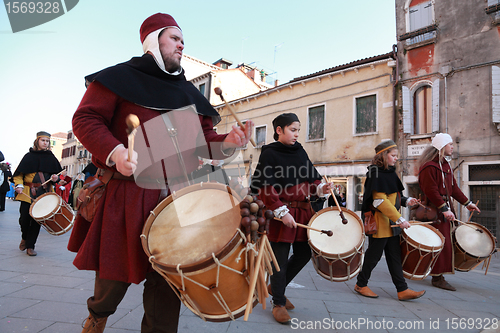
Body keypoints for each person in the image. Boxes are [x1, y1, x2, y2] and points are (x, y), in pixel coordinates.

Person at [68, 13, 253, 333]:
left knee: (168, 281)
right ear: (153, 40)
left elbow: (203, 145)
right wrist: (116, 152)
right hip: (128, 192)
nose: (182, 45)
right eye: (175, 38)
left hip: (178, 199)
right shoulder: (118, 77)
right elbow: (86, 120)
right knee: (113, 277)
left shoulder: (190, 95)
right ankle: (97, 316)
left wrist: (229, 142)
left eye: (183, 40)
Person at [250, 113, 332, 324]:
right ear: (279, 130)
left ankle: (275, 287)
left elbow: (312, 181)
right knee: (279, 260)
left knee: (304, 253)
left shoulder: (300, 151)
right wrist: (281, 211)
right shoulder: (269, 153)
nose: (297, 134)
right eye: (293, 129)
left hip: (303, 212)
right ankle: (278, 303)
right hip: (282, 214)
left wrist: (322, 188)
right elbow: (266, 188)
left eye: (298, 129)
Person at [354, 140, 426, 301]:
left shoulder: (388, 173)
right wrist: (400, 219)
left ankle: (402, 289)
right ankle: (360, 284)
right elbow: (379, 201)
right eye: (393, 155)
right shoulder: (375, 173)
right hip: (380, 224)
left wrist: (407, 201)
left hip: (391, 225)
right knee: (374, 256)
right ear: (383, 156)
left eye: (396, 156)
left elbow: (392, 196)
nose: (396, 159)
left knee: (394, 257)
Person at [417, 133, 480, 291]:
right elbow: (431, 191)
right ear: (441, 147)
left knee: (445, 243)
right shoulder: (429, 167)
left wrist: (468, 203)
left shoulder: (445, 165)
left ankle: (434, 273)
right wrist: (444, 209)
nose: (452, 147)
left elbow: (454, 189)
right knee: (440, 244)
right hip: (434, 211)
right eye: (449, 144)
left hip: (444, 209)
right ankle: (437, 278)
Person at [12, 131, 63, 256]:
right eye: (43, 140)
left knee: (36, 221)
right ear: (37, 141)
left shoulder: (51, 158)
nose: (45, 143)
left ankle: (30, 246)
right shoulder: (28, 156)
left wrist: (56, 179)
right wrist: (19, 186)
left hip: (44, 194)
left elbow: (59, 177)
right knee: (24, 219)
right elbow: (19, 175)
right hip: (28, 193)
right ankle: (24, 237)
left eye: (47, 141)